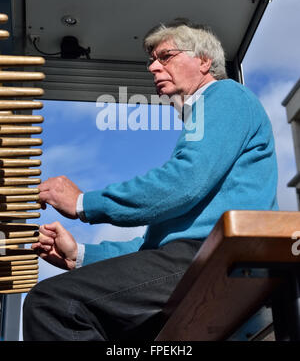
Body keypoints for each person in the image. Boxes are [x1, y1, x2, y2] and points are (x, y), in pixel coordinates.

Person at [22, 19, 278, 341]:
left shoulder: (225, 95)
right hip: (193, 257)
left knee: (53, 304)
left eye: (165, 56)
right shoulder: (202, 124)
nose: (153, 67)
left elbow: (184, 182)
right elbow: (151, 246)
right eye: (152, 60)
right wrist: (79, 255)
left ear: (203, 61)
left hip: (215, 257)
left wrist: (83, 202)